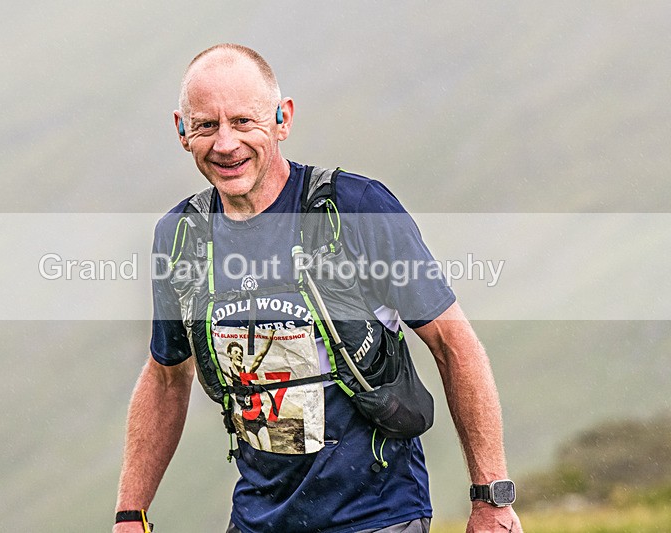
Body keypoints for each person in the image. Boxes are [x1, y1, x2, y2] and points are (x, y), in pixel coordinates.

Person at [114, 43, 522, 532]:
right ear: (182, 130)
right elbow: (165, 376)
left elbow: (454, 346)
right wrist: (129, 515)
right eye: (207, 125)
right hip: (257, 520)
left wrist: (491, 499)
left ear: (282, 120)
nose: (225, 144)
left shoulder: (354, 209)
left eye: (244, 122)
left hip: (376, 516)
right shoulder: (182, 236)